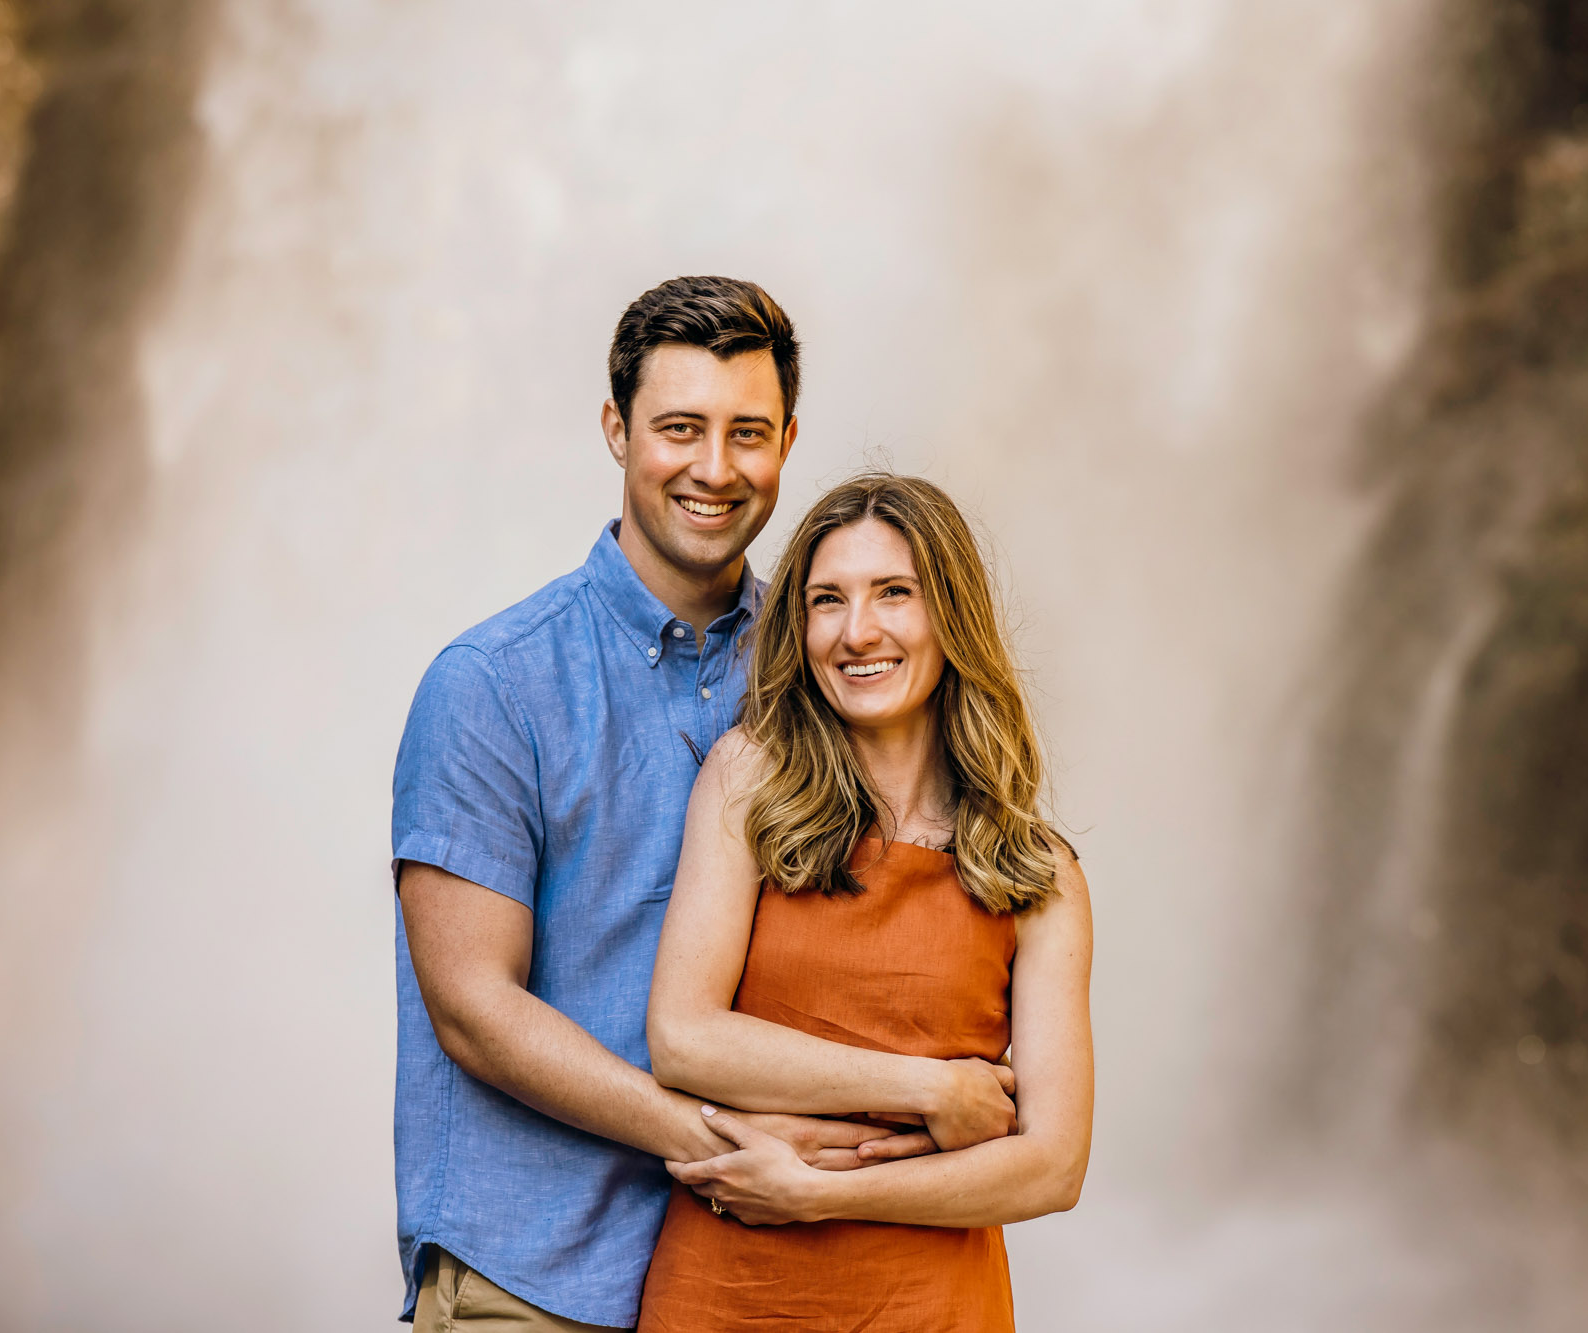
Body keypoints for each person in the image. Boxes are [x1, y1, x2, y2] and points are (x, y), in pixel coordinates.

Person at [389, 278, 965, 1331]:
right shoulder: (489, 686)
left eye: (747, 431)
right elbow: (474, 1011)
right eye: (678, 428)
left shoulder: (828, 664)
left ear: (788, 439)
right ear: (615, 430)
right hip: (535, 1276)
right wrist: (715, 1136)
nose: (714, 467)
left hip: (764, 1275)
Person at [635, 474, 1095, 1332]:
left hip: (931, 1304)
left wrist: (816, 1193)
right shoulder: (751, 779)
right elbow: (683, 1037)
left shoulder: (1039, 873)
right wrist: (929, 1089)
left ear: (950, 613)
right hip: (728, 1294)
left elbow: (1052, 1165)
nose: (858, 632)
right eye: (826, 600)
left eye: (894, 593)